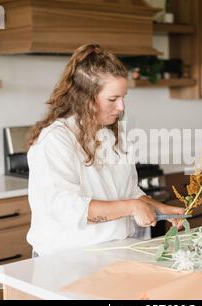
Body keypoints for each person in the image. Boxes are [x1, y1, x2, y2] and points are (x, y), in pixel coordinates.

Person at [26, 44, 185, 256]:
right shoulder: (55, 140)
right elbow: (66, 209)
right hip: (66, 260)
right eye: (113, 99)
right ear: (86, 98)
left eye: (123, 97)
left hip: (113, 253)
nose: (121, 107)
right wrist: (131, 207)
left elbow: (128, 192)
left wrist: (158, 207)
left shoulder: (112, 134)